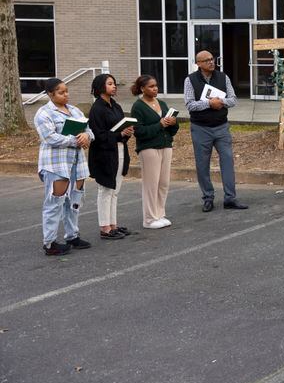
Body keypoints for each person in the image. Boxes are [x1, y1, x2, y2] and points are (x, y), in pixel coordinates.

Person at [34, 78, 94, 255]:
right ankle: (49, 242)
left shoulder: (74, 110)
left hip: (77, 164)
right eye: (61, 92)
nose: (66, 94)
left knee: (74, 200)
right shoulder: (43, 113)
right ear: (50, 94)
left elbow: (89, 130)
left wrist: (86, 136)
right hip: (56, 165)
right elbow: (50, 138)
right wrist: (76, 140)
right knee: (54, 203)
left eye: (67, 91)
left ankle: (72, 235)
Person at [184, 50, 247, 212]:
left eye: (212, 59)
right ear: (198, 64)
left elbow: (233, 100)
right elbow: (190, 104)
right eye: (206, 60)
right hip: (200, 128)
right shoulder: (190, 80)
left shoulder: (223, 77)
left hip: (221, 127)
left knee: (227, 161)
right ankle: (208, 197)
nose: (211, 62)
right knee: (202, 164)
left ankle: (230, 198)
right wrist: (208, 104)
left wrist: (221, 101)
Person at [88, 73, 134, 240]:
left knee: (115, 190)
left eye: (114, 83)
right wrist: (118, 134)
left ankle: (113, 225)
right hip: (104, 154)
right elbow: (98, 135)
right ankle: (104, 227)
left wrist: (127, 132)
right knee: (106, 189)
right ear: (101, 87)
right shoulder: (96, 109)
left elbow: (121, 128)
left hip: (119, 150)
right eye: (110, 84)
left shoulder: (115, 106)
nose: (114, 86)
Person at [130, 75, 179, 229]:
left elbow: (172, 131)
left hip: (166, 145)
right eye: (151, 86)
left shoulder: (162, 103)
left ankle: (160, 214)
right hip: (149, 148)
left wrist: (173, 123)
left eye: (156, 85)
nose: (155, 88)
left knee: (163, 183)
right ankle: (150, 218)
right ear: (142, 88)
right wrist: (160, 124)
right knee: (151, 184)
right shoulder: (138, 107)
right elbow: (139, 132)